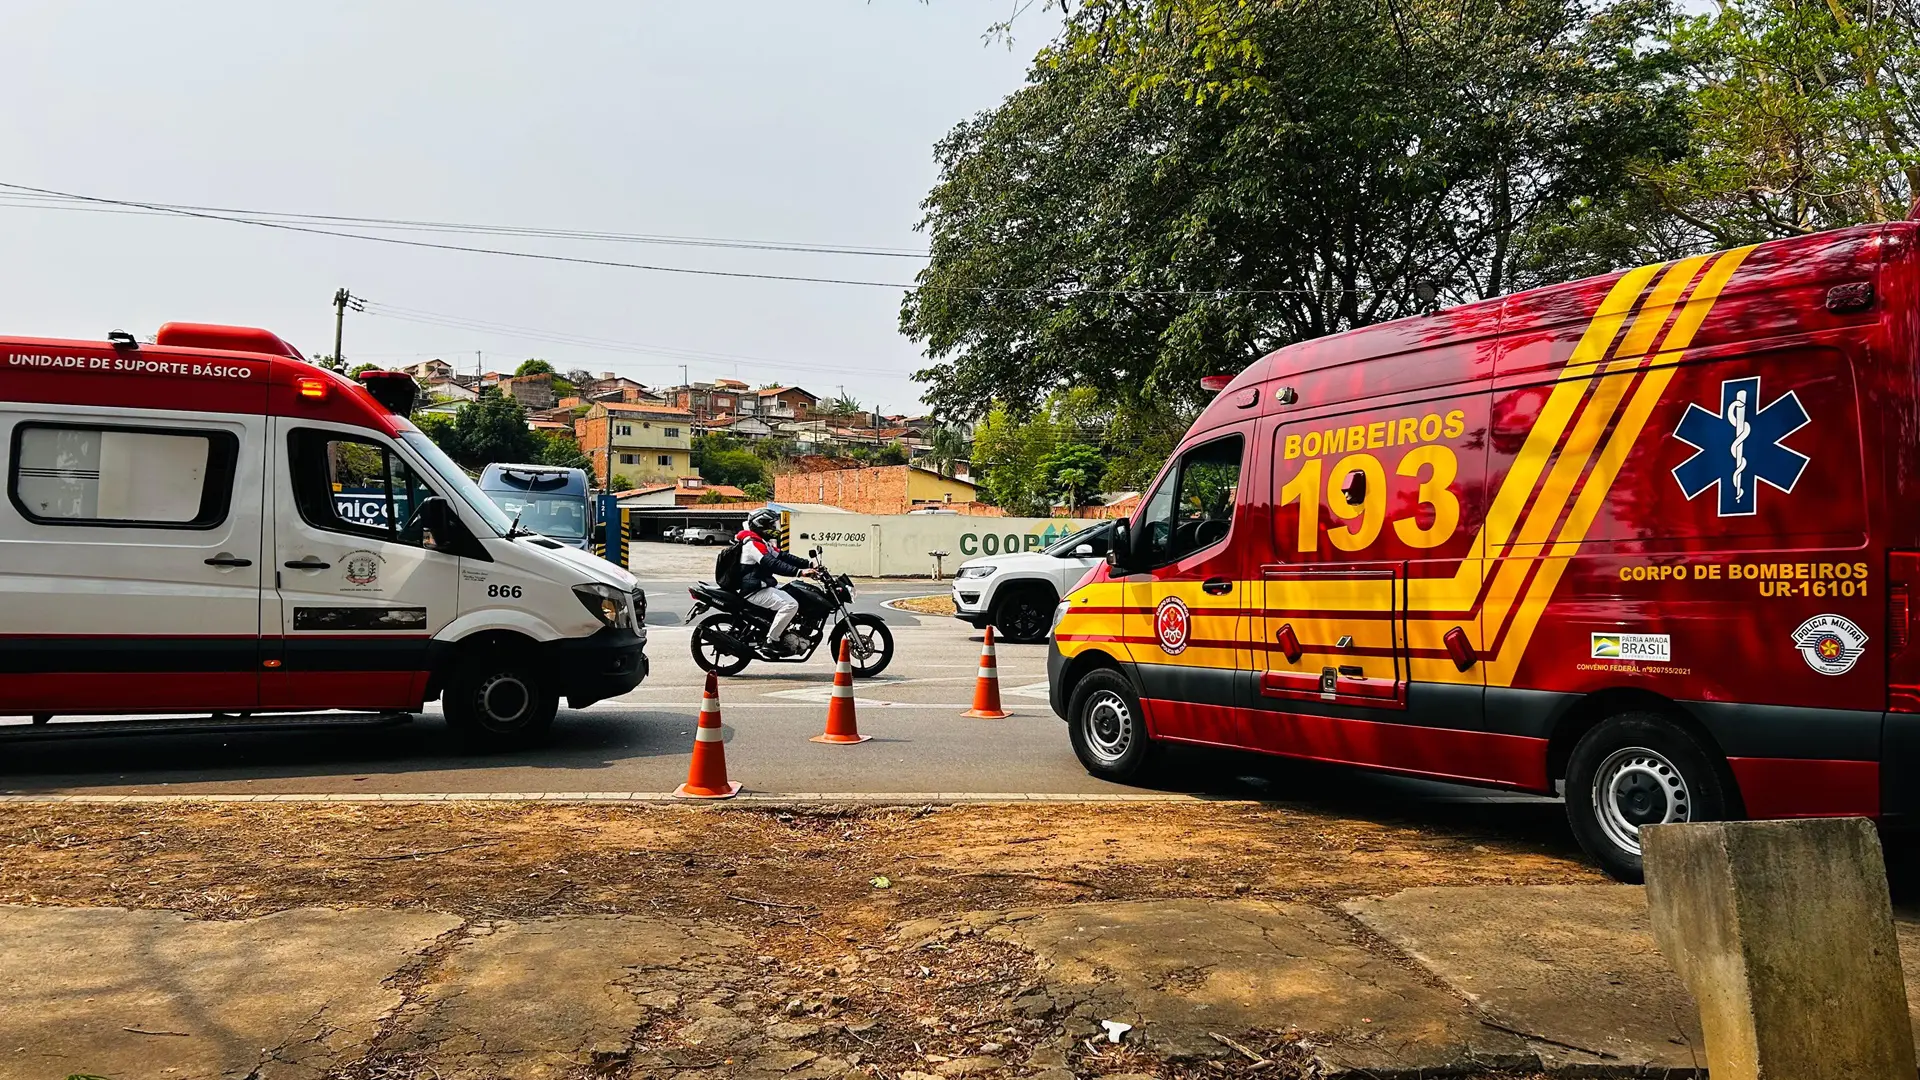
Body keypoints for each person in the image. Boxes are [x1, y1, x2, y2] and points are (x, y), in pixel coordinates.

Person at [735, 508, 815, 655]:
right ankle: (771, 641)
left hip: (762, 584)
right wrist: (799, 572)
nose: (773, 528)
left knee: (794, 591)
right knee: (790, 605)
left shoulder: (762, 542)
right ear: (761, 525)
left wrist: (808, 564)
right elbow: (771, 563)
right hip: (754, 589)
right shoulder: (752, 544)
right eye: (771, 525)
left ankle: (783, 629)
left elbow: (783, 556)